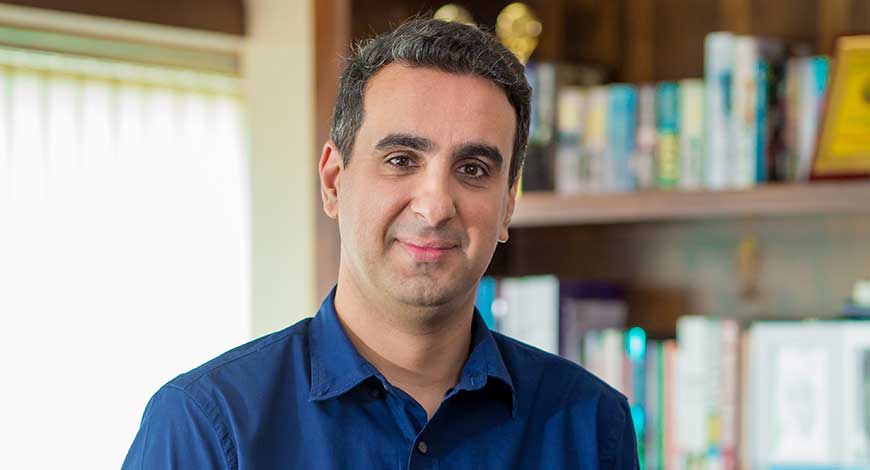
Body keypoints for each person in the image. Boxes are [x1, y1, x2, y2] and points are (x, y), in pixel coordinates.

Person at [123, 18, 638, 469]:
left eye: (473, 168)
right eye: (401, 160)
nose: (435, 206)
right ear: (333, 181)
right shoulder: (207, 424)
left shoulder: (593, 427)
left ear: (508, 204)